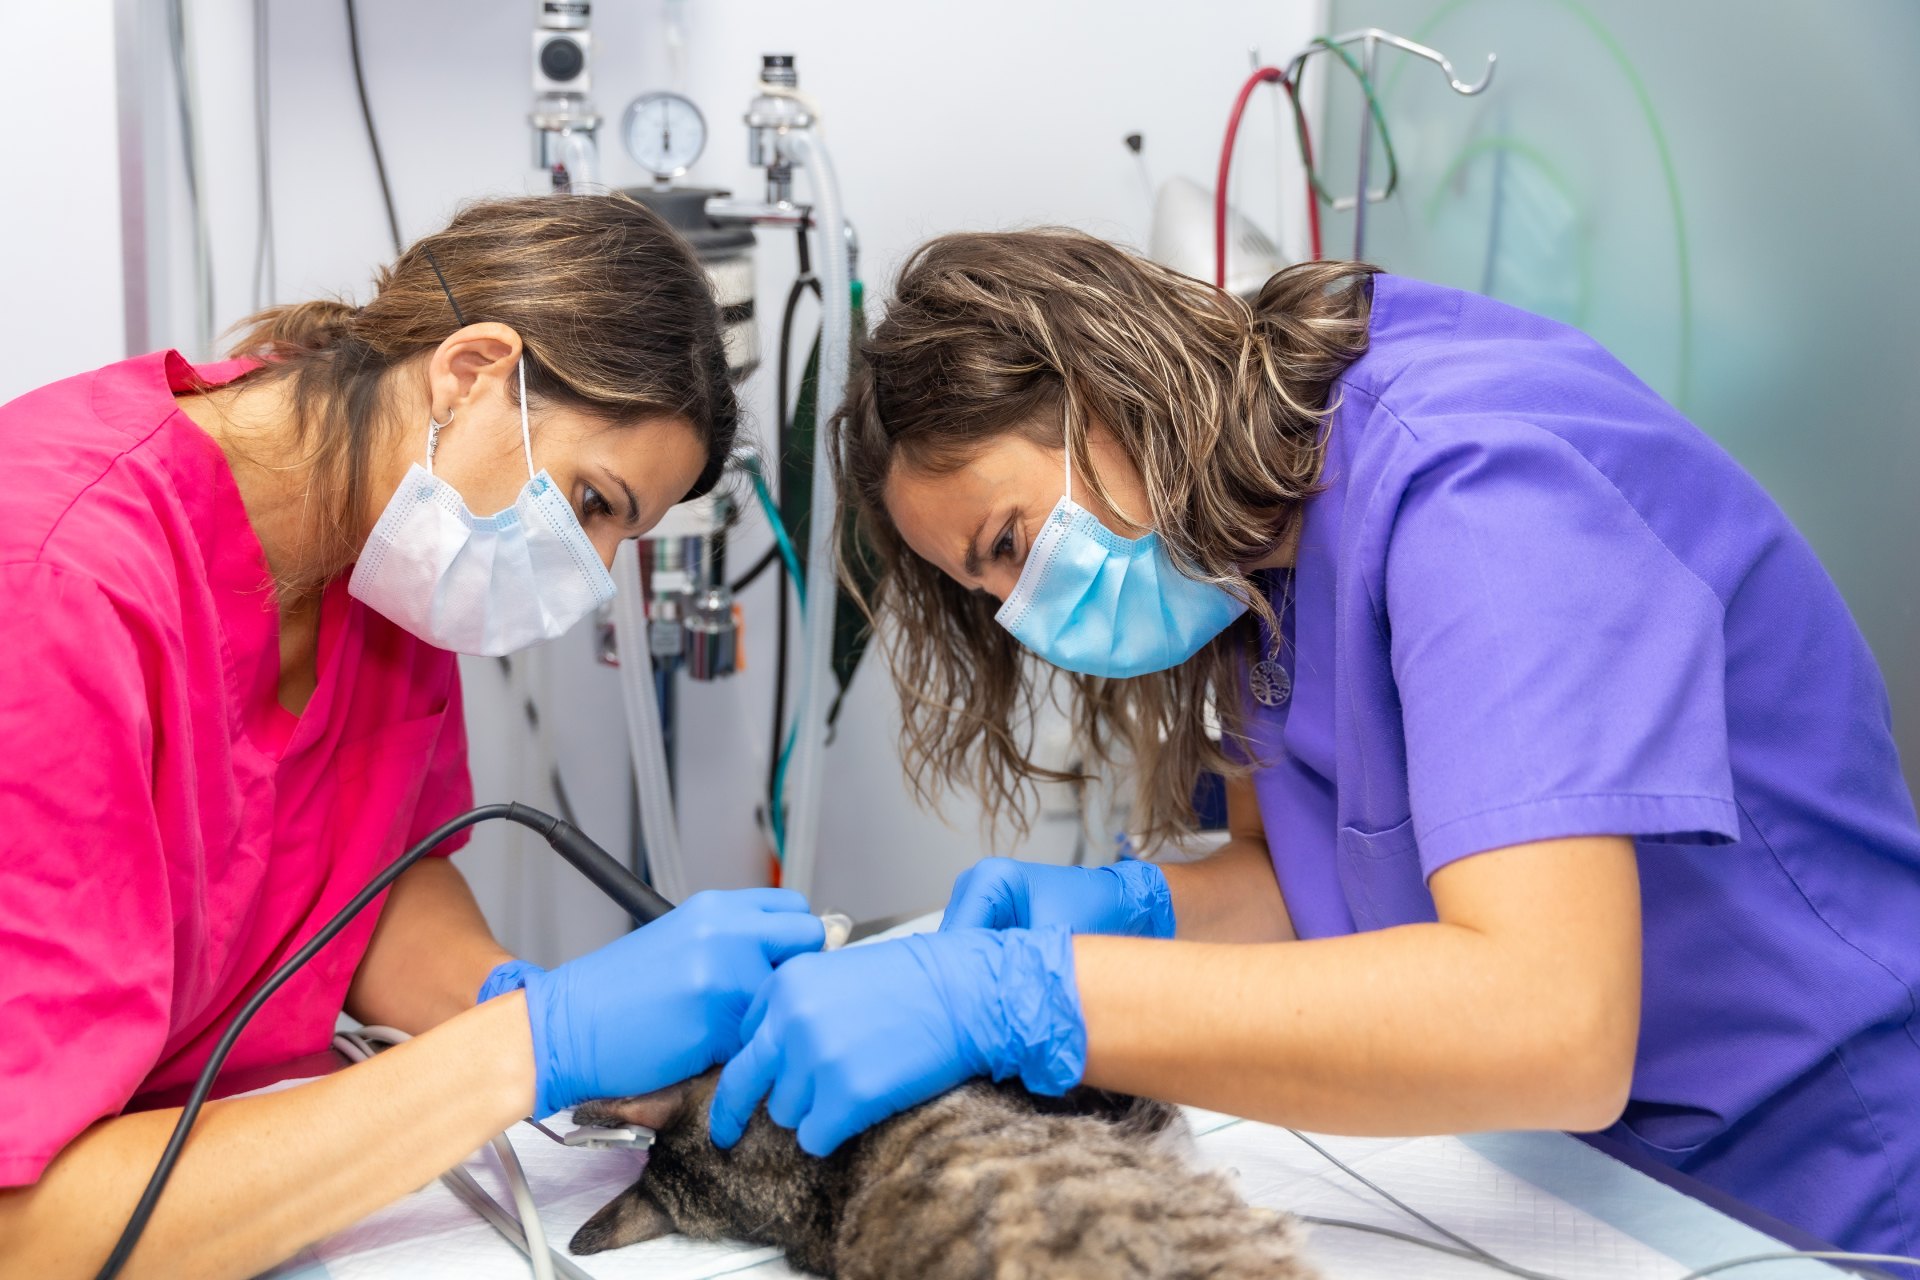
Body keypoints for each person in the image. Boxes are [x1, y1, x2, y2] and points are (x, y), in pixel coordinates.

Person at [708, 230, 1920, 1257]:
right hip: (1583, 1173)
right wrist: (1121, 909)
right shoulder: (1247, 548)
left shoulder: (1476, 493)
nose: (1027, 613)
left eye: (1013, 543)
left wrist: (1019, 995)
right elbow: (1312, 878)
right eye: (988, 594)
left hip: (1812, 1171)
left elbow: (1547, 1019)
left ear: (1106, 385)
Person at [0, 195, 824, 1279]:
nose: (589, 575)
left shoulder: (390, 539)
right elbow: (31, 1230)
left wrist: (532, 1009)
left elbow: (364, 874)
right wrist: (522, 1050)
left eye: (625, 533)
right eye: (591, 500)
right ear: (473, 368)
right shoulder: (56, 584)